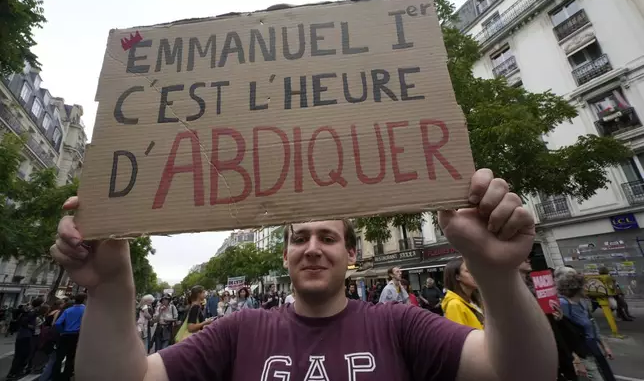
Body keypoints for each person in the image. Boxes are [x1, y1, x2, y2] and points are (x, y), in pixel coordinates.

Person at [51, 169, 557, 381]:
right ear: (286, 255)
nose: (312, 248)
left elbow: (521, 372)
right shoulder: (239, 331)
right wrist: (111, 287)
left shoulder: (399, 325)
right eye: (299, 238)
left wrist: (497, 273)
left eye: (329, 237)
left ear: (351, 254)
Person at [442, 258, 484, 329]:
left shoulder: (473, 300)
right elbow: (459, 337)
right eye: (468, 271)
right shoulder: (454, 305)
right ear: (457, 277)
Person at [52, 293, 86, 381]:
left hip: (65, 335)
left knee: (59, 358)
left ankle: (55, 377)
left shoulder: (68, 310)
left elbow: (58, 323)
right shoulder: (85, 310)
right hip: (76, 336)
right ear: (84, 300)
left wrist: (62, 331)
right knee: (70, 358)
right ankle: (66, 377)